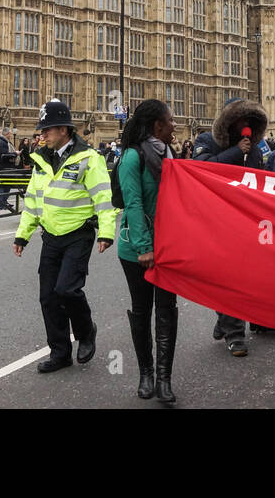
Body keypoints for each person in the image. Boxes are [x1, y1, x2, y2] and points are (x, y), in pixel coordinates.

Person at [13, 101, 116, 374]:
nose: (42, 135)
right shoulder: (41, 159)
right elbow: (33, 200)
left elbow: (103, 198)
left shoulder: (89, 158)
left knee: (67, 290)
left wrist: (106, 231)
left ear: (62, 129)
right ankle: (60, 353)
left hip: (78, 234)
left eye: (46, 130)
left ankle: (86, 331)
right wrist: (22, 235)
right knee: (48, 297)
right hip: (51, 236)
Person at [193, 98, 268, 356]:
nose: (245, 127)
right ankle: (235, 334)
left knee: (242, 277)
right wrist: (237, 151)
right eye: (240, 121)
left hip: (246, 223)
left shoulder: (256, 150)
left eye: (249, 123)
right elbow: (202, 169)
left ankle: (226, 320)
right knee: (224, 277)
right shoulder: (205, 141)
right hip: (215, 221)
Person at [117, 99, 179, 403]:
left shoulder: (170, 153)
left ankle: (165, 378)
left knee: (166, 311)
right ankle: (146, 373)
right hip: (136, 250)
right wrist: (144, 247)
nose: (174, 125)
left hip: (167, 248)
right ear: (157, 125)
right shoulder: (132, 157)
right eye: (170, 120)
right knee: (142, 311)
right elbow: (133, 203)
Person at [0, 127, 16, 211]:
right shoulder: (1, 142)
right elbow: (4, 155)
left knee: (7, 185)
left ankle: (4, 201)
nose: (11, 135)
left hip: (6, 167)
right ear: (6, 134)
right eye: (10, 133)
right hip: (2, 168)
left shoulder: (5, 141)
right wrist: (15, 154)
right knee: (1, 185)